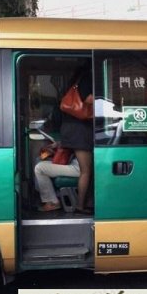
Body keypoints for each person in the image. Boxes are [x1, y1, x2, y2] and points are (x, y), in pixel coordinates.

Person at [59, 62, 93, 215]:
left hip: (71, 130)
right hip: (80, 131)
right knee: (86, 171)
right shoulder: (87, 79)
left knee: (86, 169)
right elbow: (89, 99)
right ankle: (80, 206)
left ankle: (87, 202)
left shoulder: (73, 83)